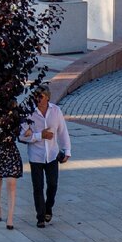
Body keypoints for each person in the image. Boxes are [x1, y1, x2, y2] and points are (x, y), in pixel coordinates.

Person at [19, 86, 71, 229]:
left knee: (53, 185)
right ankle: (40, 217)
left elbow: (62, 131)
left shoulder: (55, 111)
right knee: (38, 187)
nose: (38, 99)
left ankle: (49, 207)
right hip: (36, 156)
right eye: (36, 96)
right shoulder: (29, 113)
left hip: (52, 155)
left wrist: (67, 150)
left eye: (40, 96)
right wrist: (39, 135)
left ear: (47, 97)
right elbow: (22, 136)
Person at [0, 131, 23, 230]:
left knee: (11, 183)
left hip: (11, 151)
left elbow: (22, 129)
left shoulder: (15, 116)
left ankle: (10, 217)